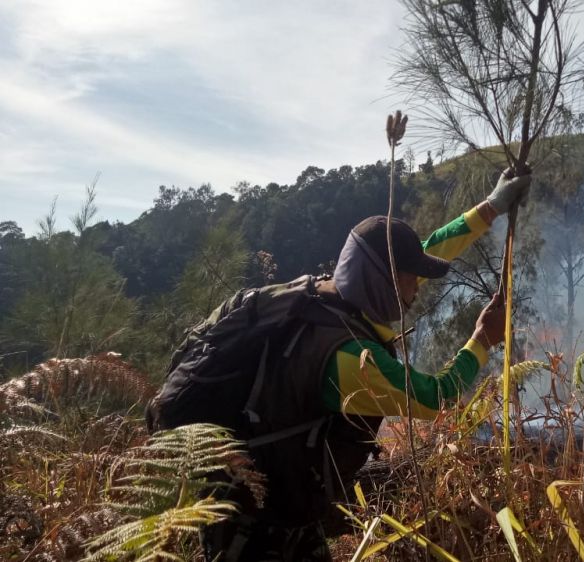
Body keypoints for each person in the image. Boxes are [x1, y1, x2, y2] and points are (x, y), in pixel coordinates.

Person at [200, 169, 532, 562]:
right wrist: (482, 341)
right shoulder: (348, 358)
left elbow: (430, 249)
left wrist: (491, 206)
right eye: (411, 279)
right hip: (255, 528)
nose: (417, 288)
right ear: (383, 280)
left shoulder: (333, 297)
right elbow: (436, 399)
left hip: (285, 509)